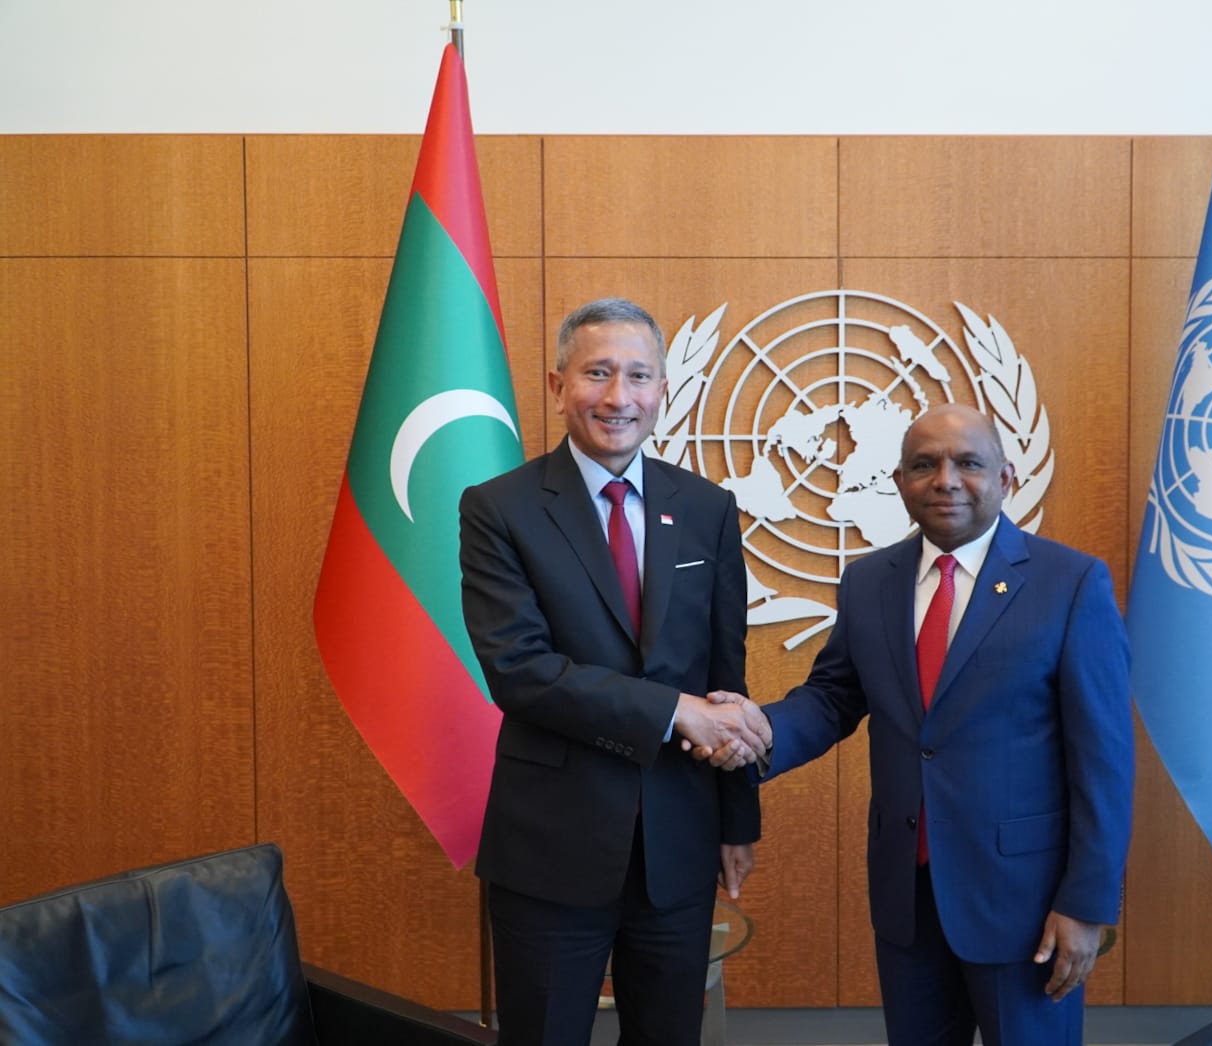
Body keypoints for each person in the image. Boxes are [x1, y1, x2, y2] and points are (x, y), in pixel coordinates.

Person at [702, 403, 1134, 1046]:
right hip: (908, 893)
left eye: (968, 463)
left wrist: (1087, 901)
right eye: (924, 465)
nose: (946, 480)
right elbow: (833, 698)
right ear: (900, 482)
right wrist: (759, 728)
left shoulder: (1069, 583)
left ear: (1006, 478)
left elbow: (1104, 760)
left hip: (1025, 903)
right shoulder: (869, 581)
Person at [458, 297, 767, 1046]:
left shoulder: (707, 508)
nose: (618, 396)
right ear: (557, 385)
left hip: (679, 843)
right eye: (597, 373)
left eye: (638, 375)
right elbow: (520, 670)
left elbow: (726, 675)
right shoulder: (500, 509)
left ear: (663, 389)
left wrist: (737, 819)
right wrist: (673, 711)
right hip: (551, 847)